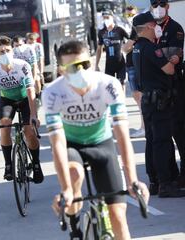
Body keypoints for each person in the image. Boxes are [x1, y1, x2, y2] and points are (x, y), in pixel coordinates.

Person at [43, 40, 149, 239]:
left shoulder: (108, 85)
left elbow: (122, 134)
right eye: (74, 67)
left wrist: (132, 179)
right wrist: (65, 189)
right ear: (61, 71)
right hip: (72, 144)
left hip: (102, 143)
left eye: (85, 65)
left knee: (118, 217)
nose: (81, 71)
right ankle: (75, 228)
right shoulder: (52, 93)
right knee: (74, 173)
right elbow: (57, 142)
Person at [132, 12, 185, 197]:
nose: (157, 28)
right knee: (162, 142)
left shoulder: (137, 48)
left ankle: (155, 181)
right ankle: (165, 183)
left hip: (149, 100)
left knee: (152, 141)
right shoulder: (149, 48)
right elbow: (169, 70)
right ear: (147, 27)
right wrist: (172, 60)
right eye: (154, 25)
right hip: (159, 101)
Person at [0, 36, 44, 183]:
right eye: (1, 52)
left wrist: (33, 115)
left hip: (25, 99)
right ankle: (8, 164)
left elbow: (31, 91)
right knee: (4, 125)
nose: (5, 53)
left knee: (29, 131)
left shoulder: (22, 65)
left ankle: (36, 163)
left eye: (7, 50)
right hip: (8, 101)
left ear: (13, 51)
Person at [150, 0, 185, 188]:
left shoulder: (174, 28)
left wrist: (153, 54)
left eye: (161, 4)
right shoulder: (149, 25)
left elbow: (174, 57)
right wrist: (159, 55)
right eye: (154, 4)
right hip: (156, 88)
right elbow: (132, 50)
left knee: (179, 130)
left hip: (174, 85)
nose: (158, 7)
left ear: (168, 6)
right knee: (162, 134)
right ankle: (166, 175)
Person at [122, 9, 146, 138]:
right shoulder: (130, 27)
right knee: (137, 97)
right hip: (131, 64)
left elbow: (125, 48)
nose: (130, 16)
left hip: (135, 66)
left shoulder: (137, 29)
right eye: (128, 14)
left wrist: (127, 46)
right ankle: (144, 126)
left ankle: (144, 127)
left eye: (132, 14)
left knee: (140, 98)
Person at [95, 10, 130, 90]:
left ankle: (122, 102)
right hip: (109, 64)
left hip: (120, 62)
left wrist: (129, 52)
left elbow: (132, 40)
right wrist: (96, 65)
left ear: (112, 17)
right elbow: (99, 49)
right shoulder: (101, 32)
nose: (105, 20)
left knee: (121, 84)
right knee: (110, 87)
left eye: (107, 17)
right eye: (104, 18)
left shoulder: (120, 29)